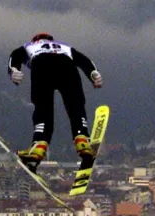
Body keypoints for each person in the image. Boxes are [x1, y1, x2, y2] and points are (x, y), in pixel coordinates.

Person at [7, 32, 102, 171]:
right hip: (67, 65)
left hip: (41, 65)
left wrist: (13, 71)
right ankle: (82, 139)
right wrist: (93, 73)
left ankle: (38, 147)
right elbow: (83, 60)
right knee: (75, 103)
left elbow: (14, 57)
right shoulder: (64, 46)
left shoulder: (29, 46)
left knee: (43, 108)